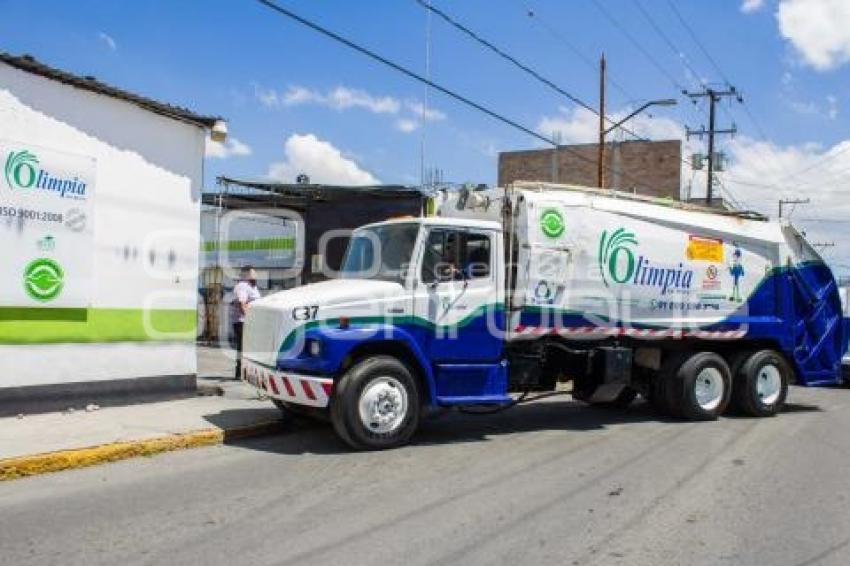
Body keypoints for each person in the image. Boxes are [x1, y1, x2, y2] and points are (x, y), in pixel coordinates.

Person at [231, 266, 261, 379]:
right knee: (243, 348)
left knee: (249, 348)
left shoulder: (253, 287)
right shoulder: (242, 286)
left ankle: (247, 372)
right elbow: (241, 304)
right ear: (247, 275)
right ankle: (240, 373)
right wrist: (249, 319)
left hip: (251, 321)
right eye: (254, 273)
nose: (256, 275)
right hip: (243, 322)